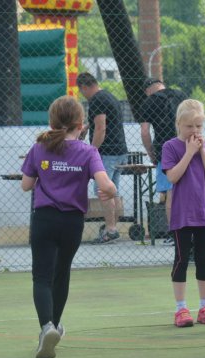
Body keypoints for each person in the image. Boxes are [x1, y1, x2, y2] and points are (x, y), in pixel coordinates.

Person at [21, 96, 116, 358]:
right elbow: (105, 185)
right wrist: (109, 190)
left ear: (52, 122)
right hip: (72, 222)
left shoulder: (39, 147)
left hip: (44, 219)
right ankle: (55, 324)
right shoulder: (88, 153)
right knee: (61, 274)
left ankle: (46, 327)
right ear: (81, 124)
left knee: (41, 276)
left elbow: (26, 185)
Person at [161, 99, 205, 327]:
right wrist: (188, 152)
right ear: (179, 125)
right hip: (182, 214)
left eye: (199, 126)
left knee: (204, 259)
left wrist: (201, 151)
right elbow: (172, 176)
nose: (194, 131)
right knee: (182, 259)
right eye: (189, 127)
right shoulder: (171, 147)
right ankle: (181, 308)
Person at [76, 72, 128, 244]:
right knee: (113, 191)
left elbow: (101, 128)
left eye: (81, 91)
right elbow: (103, 120)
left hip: (107, 152)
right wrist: (86, 126)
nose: (83, 94)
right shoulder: (108, 96)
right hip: (120, 150)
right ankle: (111, 225)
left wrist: (92, 151)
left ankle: (111, 229)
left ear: (84, 87)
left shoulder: (96, 100)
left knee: (103, 190)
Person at [138, 78, 187, 246]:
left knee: (170, 192)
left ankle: (174, 234)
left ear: (148, 90)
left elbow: (145, 132)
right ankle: (194, 228)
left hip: (164, 150)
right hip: (187, 146)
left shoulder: (148, 102)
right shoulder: (181, 96)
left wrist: (151, 153)